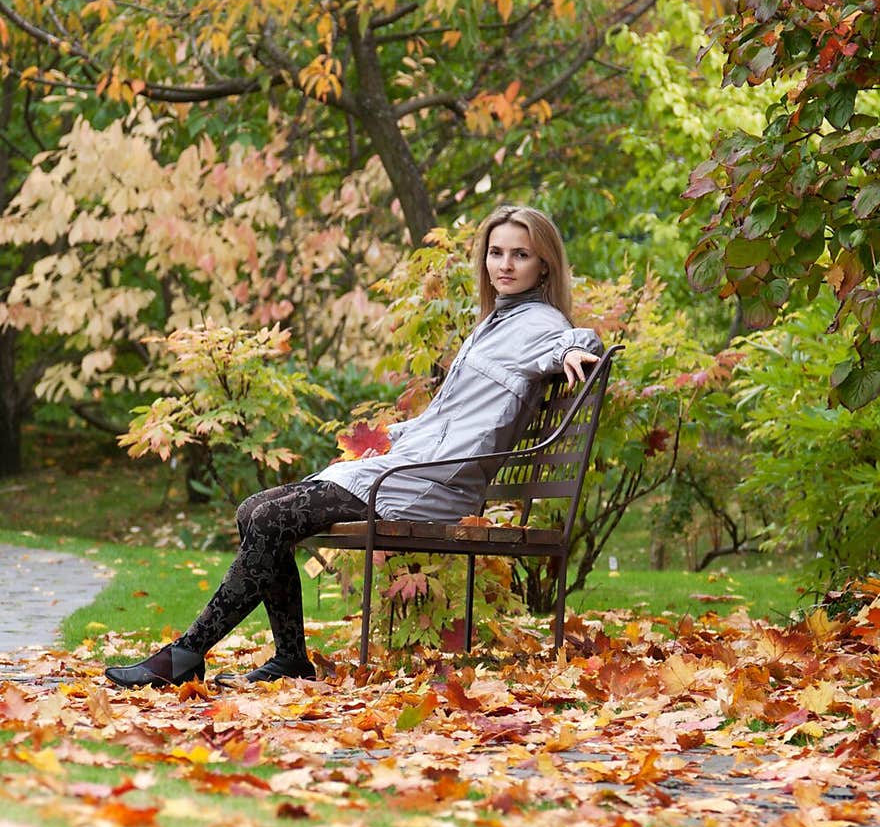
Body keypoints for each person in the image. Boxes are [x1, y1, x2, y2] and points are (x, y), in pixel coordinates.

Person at [105, 205, 604, 689]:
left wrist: (573, 350)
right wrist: (396, 439)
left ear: (544, 265)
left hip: (433, 483)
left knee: (267, 519)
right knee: (254, 510)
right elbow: (449, 417)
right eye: (497, 253)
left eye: (520, 254)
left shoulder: (537, 324)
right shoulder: (496, 322)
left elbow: (566, 341)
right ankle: (288, 659)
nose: (505, 265)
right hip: (414, 465)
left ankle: (187, 656)